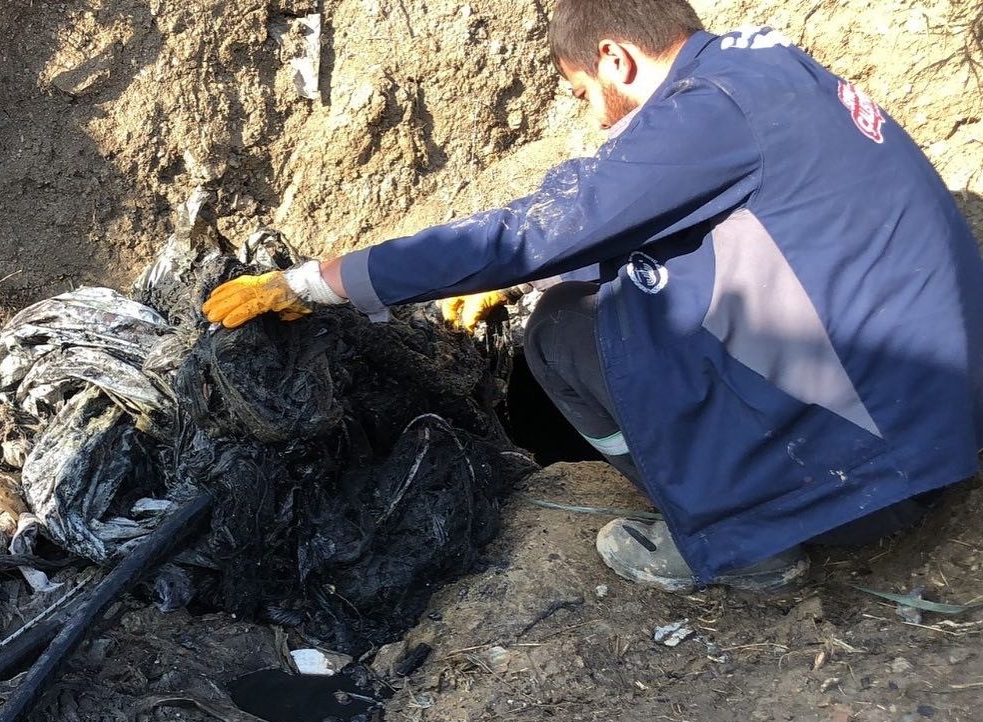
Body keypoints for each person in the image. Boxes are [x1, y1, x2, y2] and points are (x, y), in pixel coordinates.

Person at [202, 0, 983, 593]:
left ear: (613, 57)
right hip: (936, 423)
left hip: (868, 483)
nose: (588, 113)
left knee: (560, 335)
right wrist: (536, 268)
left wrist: (310, 281)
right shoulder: (763, 69)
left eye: (580, 94)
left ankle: (741, 535)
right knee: (598, 285)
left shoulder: (703, 115)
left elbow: (528, 229)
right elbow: (657, 219)